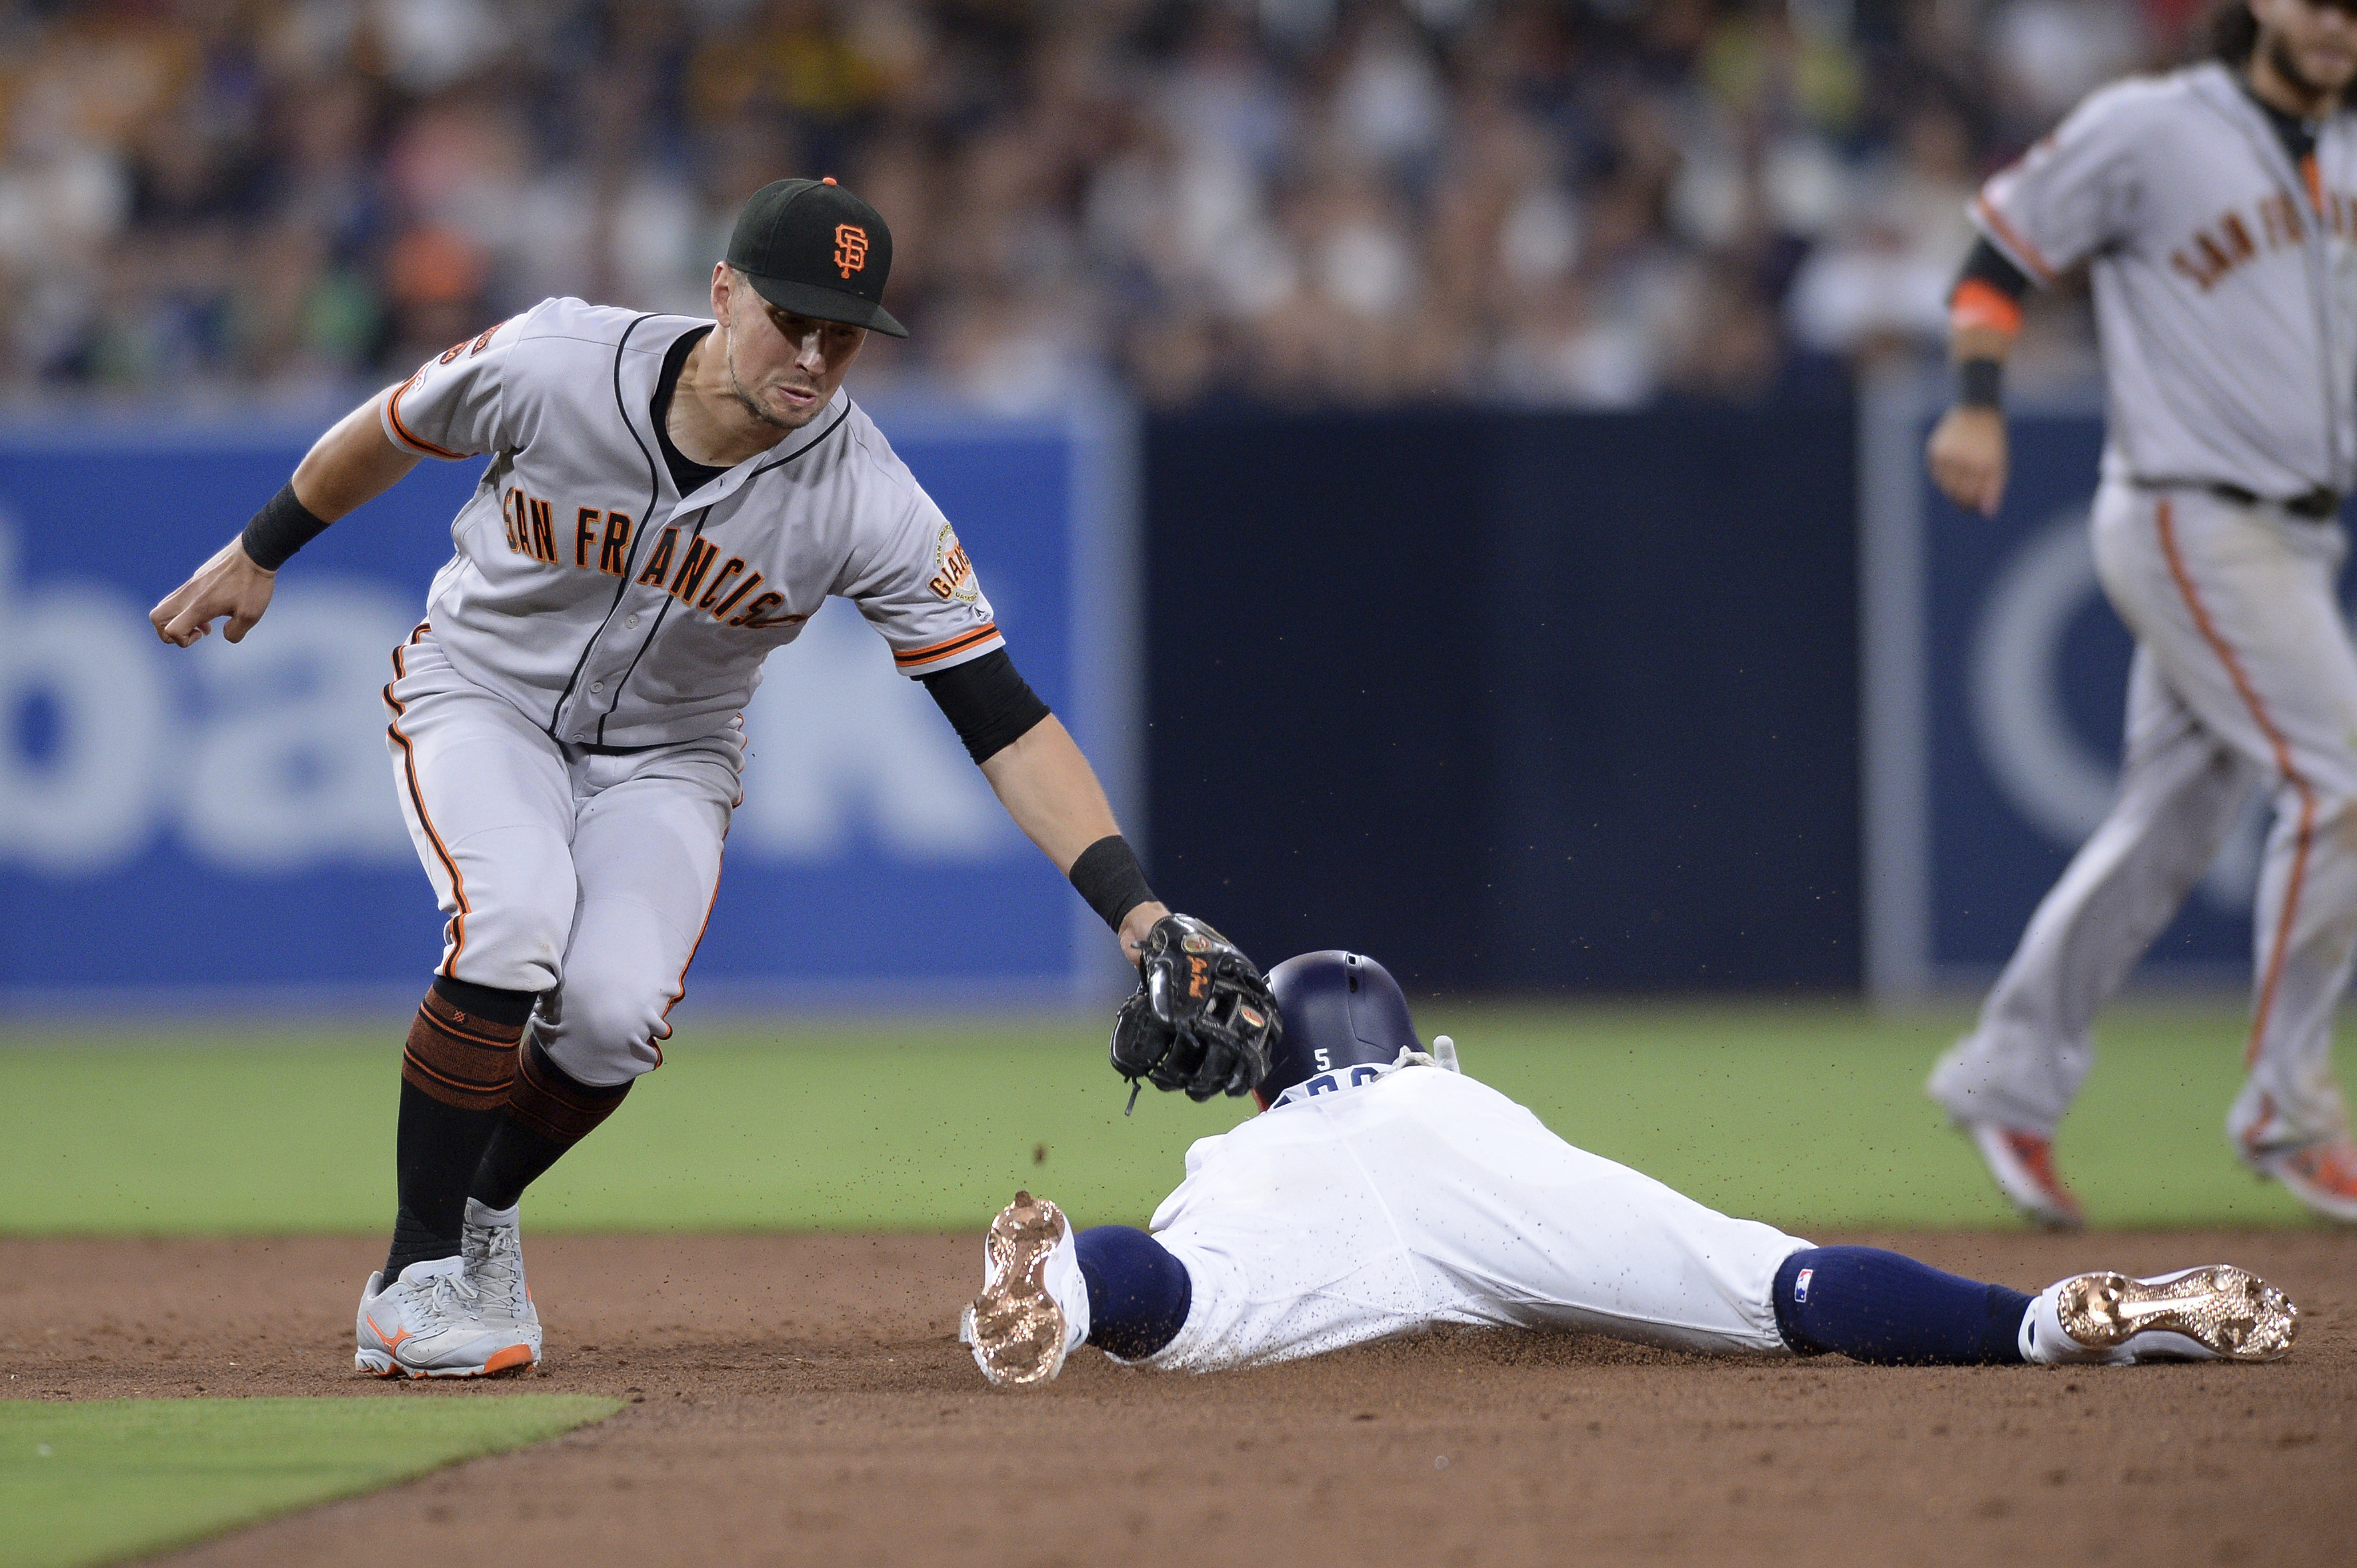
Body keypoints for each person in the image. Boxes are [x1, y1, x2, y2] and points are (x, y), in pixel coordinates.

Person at [146, 177, 1241, 1379]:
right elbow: (392, 426)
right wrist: (260, 549)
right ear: (724, 291)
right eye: (793, 317)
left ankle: (481, 1219)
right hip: (481, 695)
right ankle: (410, 1281)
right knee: (513, 921)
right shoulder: (561, 359)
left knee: (613, 1016)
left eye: (847, 333)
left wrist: (1136, 910)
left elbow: (1002, 716)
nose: (818, 355)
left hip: (670, 755)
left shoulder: (866, 495)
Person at [961, 951, 2299, 1385]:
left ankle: (1064, 1283)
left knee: (1181, 1294)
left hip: (1294, 1177)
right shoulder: (1445, 1091)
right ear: (1409, 1042)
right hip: (1471, 1159)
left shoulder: (1256, 1132)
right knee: (1776, 1281)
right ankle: (2043, 1320)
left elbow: (1209, 1266)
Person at [1922, 0, 2357, 1225]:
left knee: (2171, 824)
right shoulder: (2157, 127)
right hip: (2192, 512)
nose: (2335, 19)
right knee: (2345, 779)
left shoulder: (2346, 150)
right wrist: (1974, 400)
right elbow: (1998, 248)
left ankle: (2007, 1077)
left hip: (2298, 530)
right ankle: (2289, 1106)